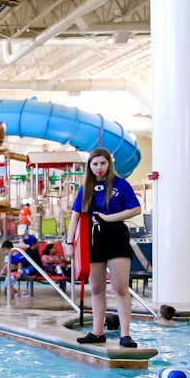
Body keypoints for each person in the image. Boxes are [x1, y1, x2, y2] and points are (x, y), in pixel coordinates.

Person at [64, 147, 142, 348]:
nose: (99, 167)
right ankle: (98, 332)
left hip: (116, 236)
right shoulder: (86, 188)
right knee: (97, 288)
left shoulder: (121, 185)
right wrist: (69, 243)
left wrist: (109, 218)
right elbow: (75, 217)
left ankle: (125, 334)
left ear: (109, 164)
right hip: (93, 239)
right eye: (95, 163)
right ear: (90, 166)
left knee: (120, 287)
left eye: (103, 163)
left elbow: (135, 209)